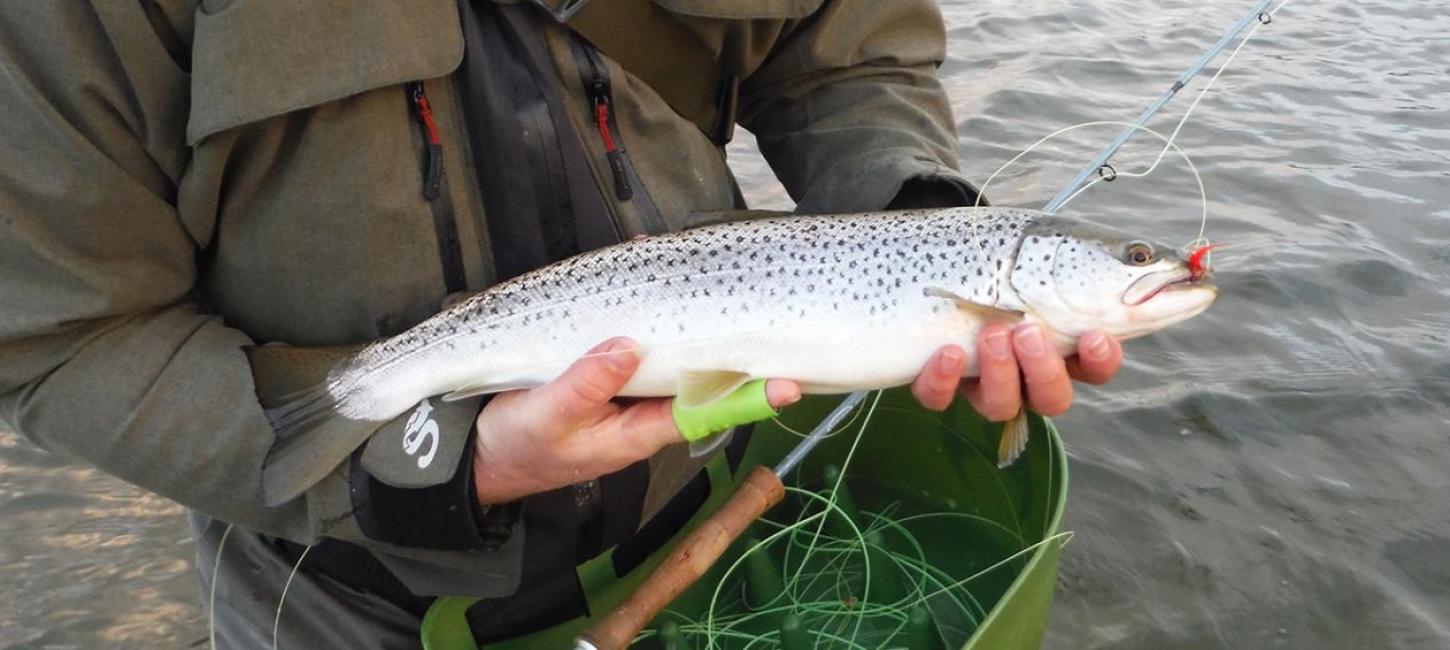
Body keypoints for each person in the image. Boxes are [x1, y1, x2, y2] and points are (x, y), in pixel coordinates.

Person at [0, 1, 1122, 646]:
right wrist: (428, 466)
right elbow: (65, 338)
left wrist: (920, 221)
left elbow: (844, 51)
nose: (1139, 272)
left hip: (713, 520)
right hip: (341, 605)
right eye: (1125, 262)